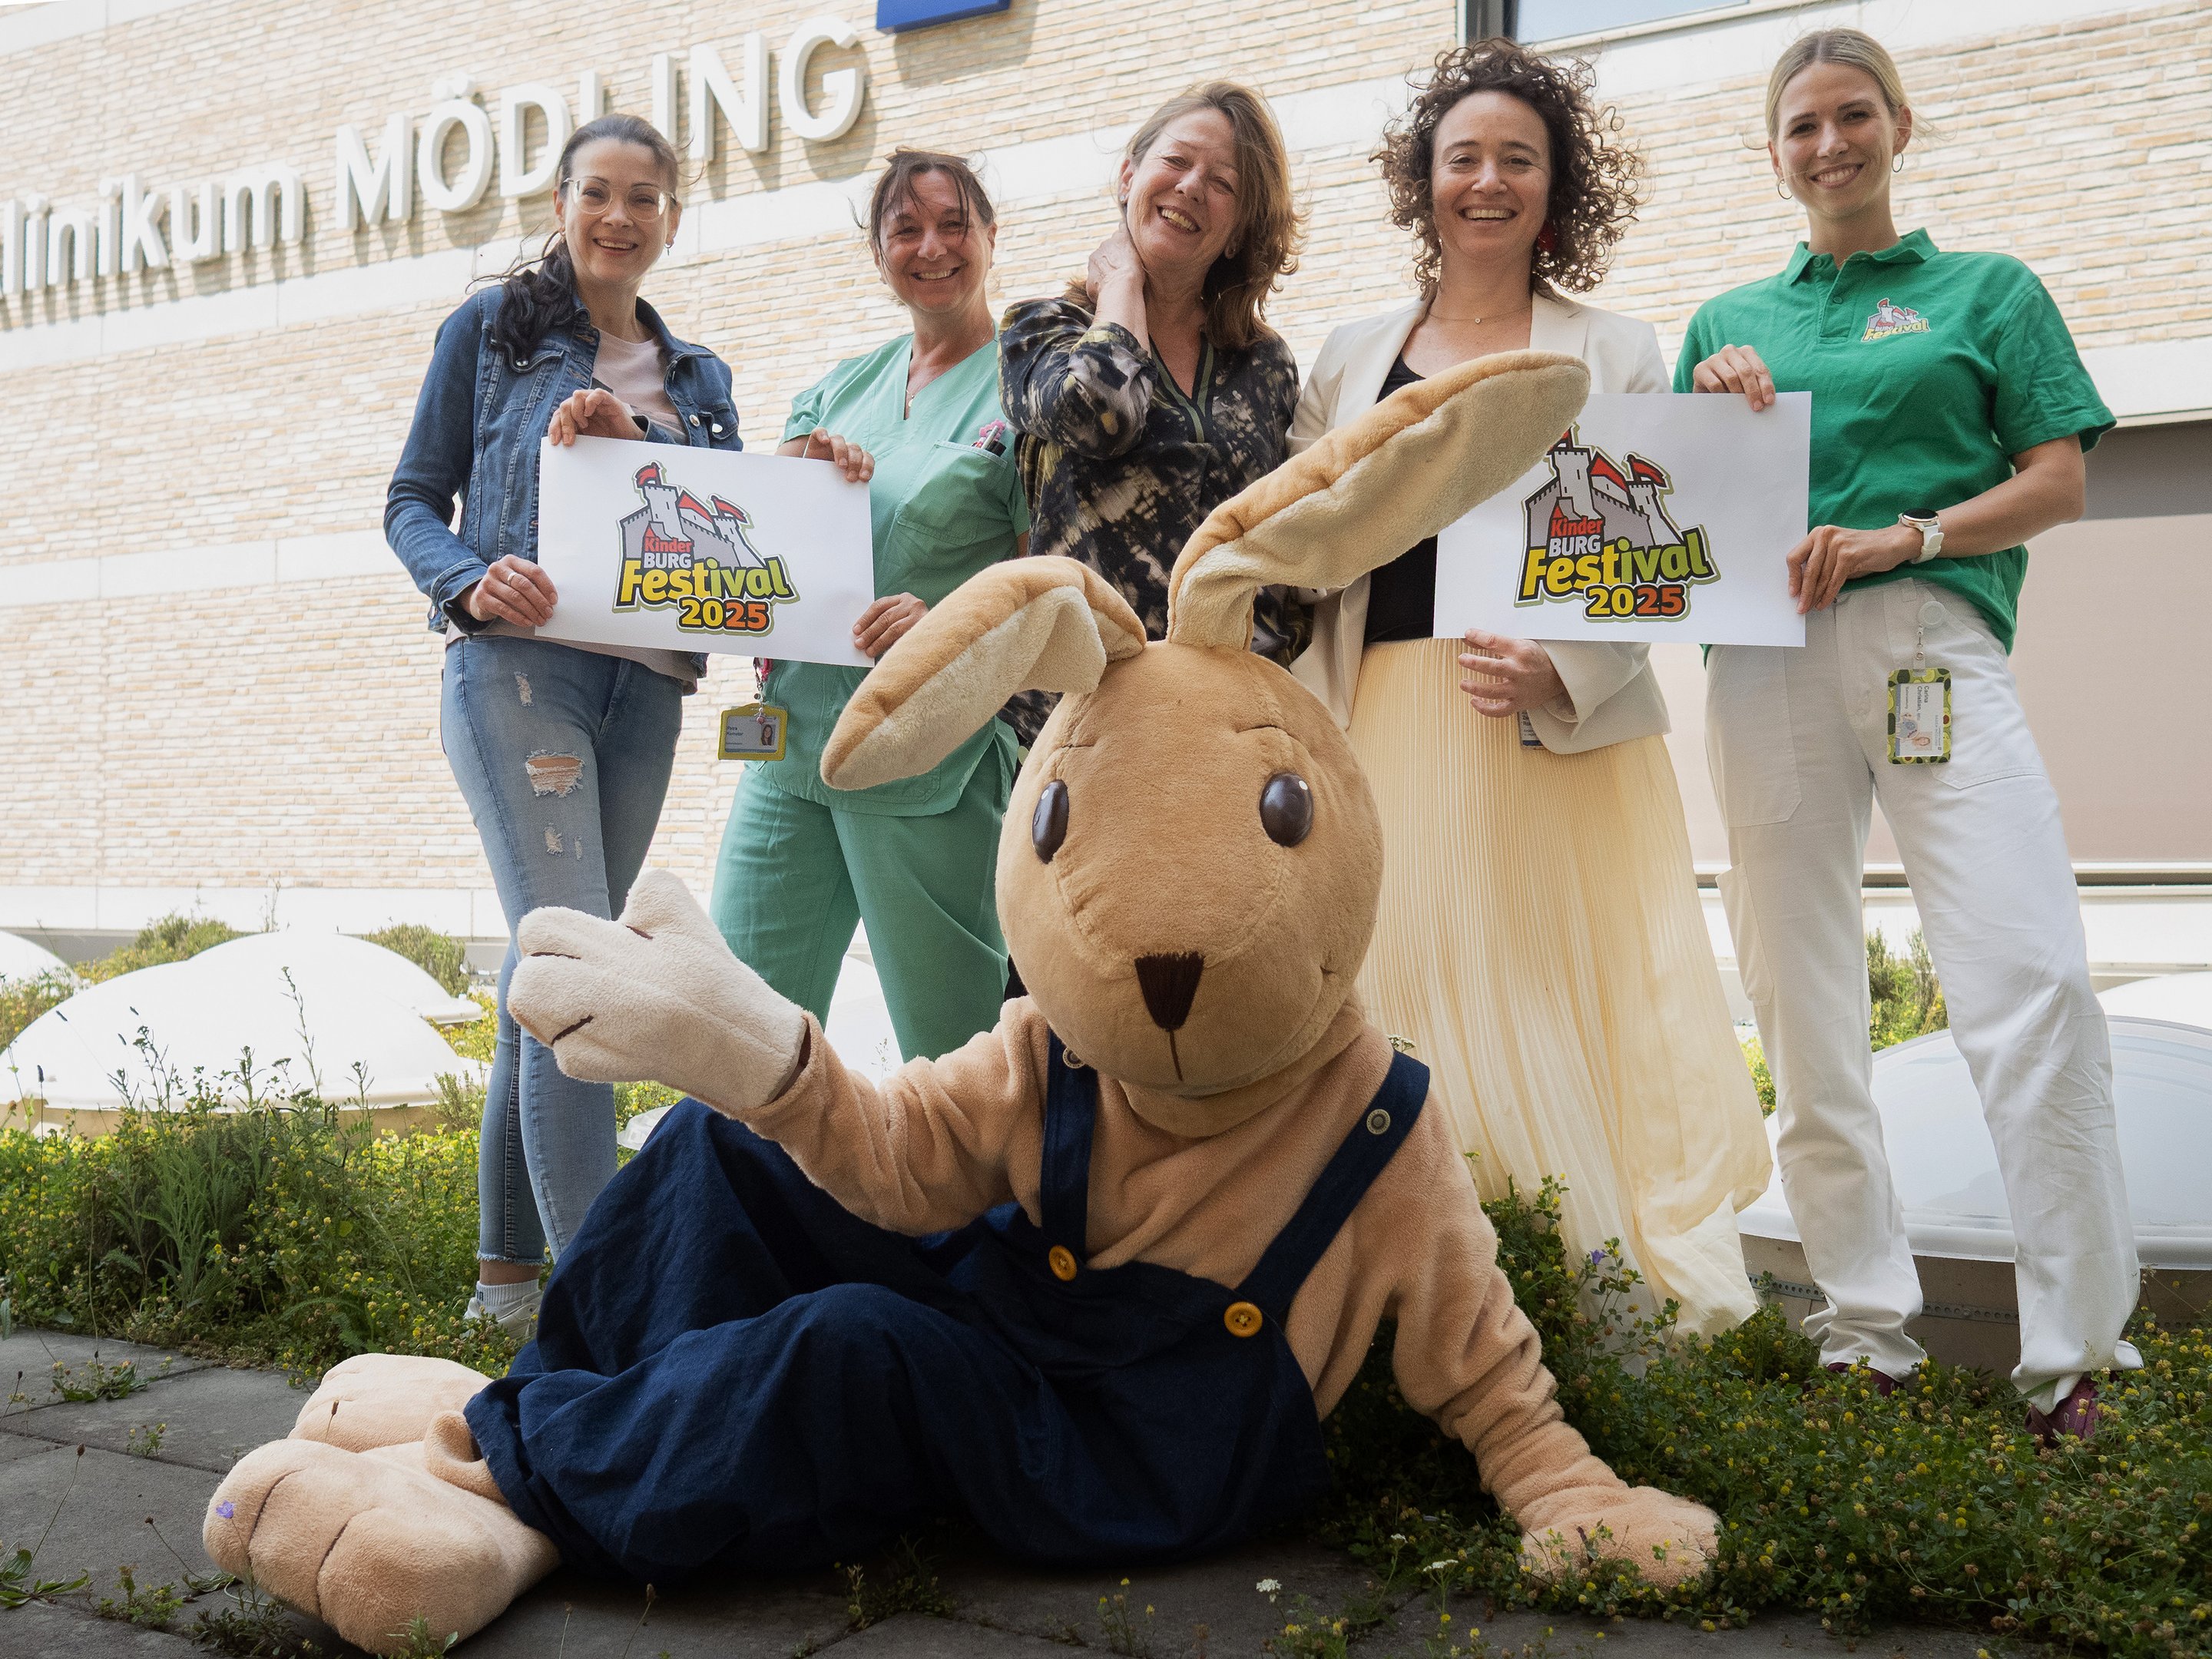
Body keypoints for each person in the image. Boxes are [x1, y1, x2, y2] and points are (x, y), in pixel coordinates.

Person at [1682, 28, 2135, 1435]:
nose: (1830, 145)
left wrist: (1909, 537)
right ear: (1774, 156)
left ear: (1899, 125)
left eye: (1853, 116)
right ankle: (1864, 1330)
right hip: (1762, 669)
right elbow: (1670, 530)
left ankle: (2072, 1354)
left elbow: (2056, 479)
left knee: (2033, 980)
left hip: (1933, 643)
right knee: (1801, 1005)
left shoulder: (1984, 290)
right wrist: (1705, 415)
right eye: (1803, 126)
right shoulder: (1725, 320)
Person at [1287, 40, 1771, 1336]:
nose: (1487, 181)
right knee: (1395, 997)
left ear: (1557, 189)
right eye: (1463, 159)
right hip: (1380, 718)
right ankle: (1404, 1305)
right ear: (1423, 182)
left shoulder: (1617, 349)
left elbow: (1661, 550)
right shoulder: (1344, 356)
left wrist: (1572, 662)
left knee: (1549, 999)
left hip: (1543, 731)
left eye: (1518, 159)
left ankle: (1566, 1310)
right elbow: (1290, 541)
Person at [386, 114, 748, 1339]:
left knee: (541, 973)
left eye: (646, 198)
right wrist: (468, 578)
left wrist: (666, 439)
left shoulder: (698, 378)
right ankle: (610, 1315)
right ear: (561, 203)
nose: (621, 217)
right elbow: (409, 501)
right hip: (519, 676)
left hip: (644, 692)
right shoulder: (492, 333)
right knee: (581, 962)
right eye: (601, 192)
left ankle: (501, 1289)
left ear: (671, 221)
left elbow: (733, 525)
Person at [709, 151, 1030, 1062]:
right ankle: (738, 1209)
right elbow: (756, 558)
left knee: (955, 1053)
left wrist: (945, 618)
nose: (931, 248)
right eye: (904, 230)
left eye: (953, 224)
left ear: (991, 237)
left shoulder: (1026, 391)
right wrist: (802, 473)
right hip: (789, 749)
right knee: (738, 1037)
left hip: (924, 762)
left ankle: (977, 1213)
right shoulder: (838, 386)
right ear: (878, 252)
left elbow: (1045, 579)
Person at [997, 81, 1307, 743]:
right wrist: (1121, 289)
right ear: (1128, 175)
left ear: (1236, 234)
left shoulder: (1264, 363)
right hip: (1080, 717)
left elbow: (1279, 545)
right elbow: (1100, 413)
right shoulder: (1041, 329)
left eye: (1223, 183)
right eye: (1176, 161)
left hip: (1225, 715)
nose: (1193, 186)